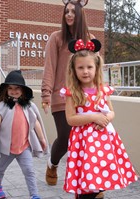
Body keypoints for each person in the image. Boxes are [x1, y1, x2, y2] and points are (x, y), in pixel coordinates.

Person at [61, 38, 138, 199]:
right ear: (74, 70)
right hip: (83, 143)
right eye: (80, 67)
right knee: (87, 181)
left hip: (103, 143)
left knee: (99, 178)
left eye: (89, 67)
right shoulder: (72, 93)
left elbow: (111, 111)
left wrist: (108, 116)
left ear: (97, 68)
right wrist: (94, 116)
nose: (85, 71)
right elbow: (71, 119)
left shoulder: (102, 90)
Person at [41, 0, 94, 185]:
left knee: (85, 141)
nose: (69, 15)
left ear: (80, 15)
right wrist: (46, 94)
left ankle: (89, 183)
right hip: (60, 97)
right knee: (65, 137)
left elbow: (94, 70)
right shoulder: (56, 38)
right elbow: (50, 67)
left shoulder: (90, 40)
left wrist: (100, 93)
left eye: (73, 12)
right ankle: (52, 163)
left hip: (84, 98)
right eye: (66, 12)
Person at [0, 70, 49, 199]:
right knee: (0, 168)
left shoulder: (28, 106)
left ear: (23, 90)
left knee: (29, 171)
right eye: (10, 88)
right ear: (6, 90)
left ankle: (34, 194)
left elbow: (35, 121)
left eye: (17, 88)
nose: (14, 91)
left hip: (24, 147)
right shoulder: (3, 106)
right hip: (7, 149)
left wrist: (42, 138)